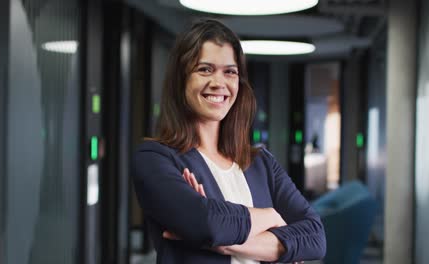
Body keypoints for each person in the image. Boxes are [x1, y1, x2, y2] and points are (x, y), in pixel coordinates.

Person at [132, 19, 326, 264]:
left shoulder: (261, 163)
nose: (218, 82)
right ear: (181, 80)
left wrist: (228, 244)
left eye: (230, 72)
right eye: (204, 69)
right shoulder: (155, 158)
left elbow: (315, 237)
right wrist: (271, 217)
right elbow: (206, 223)